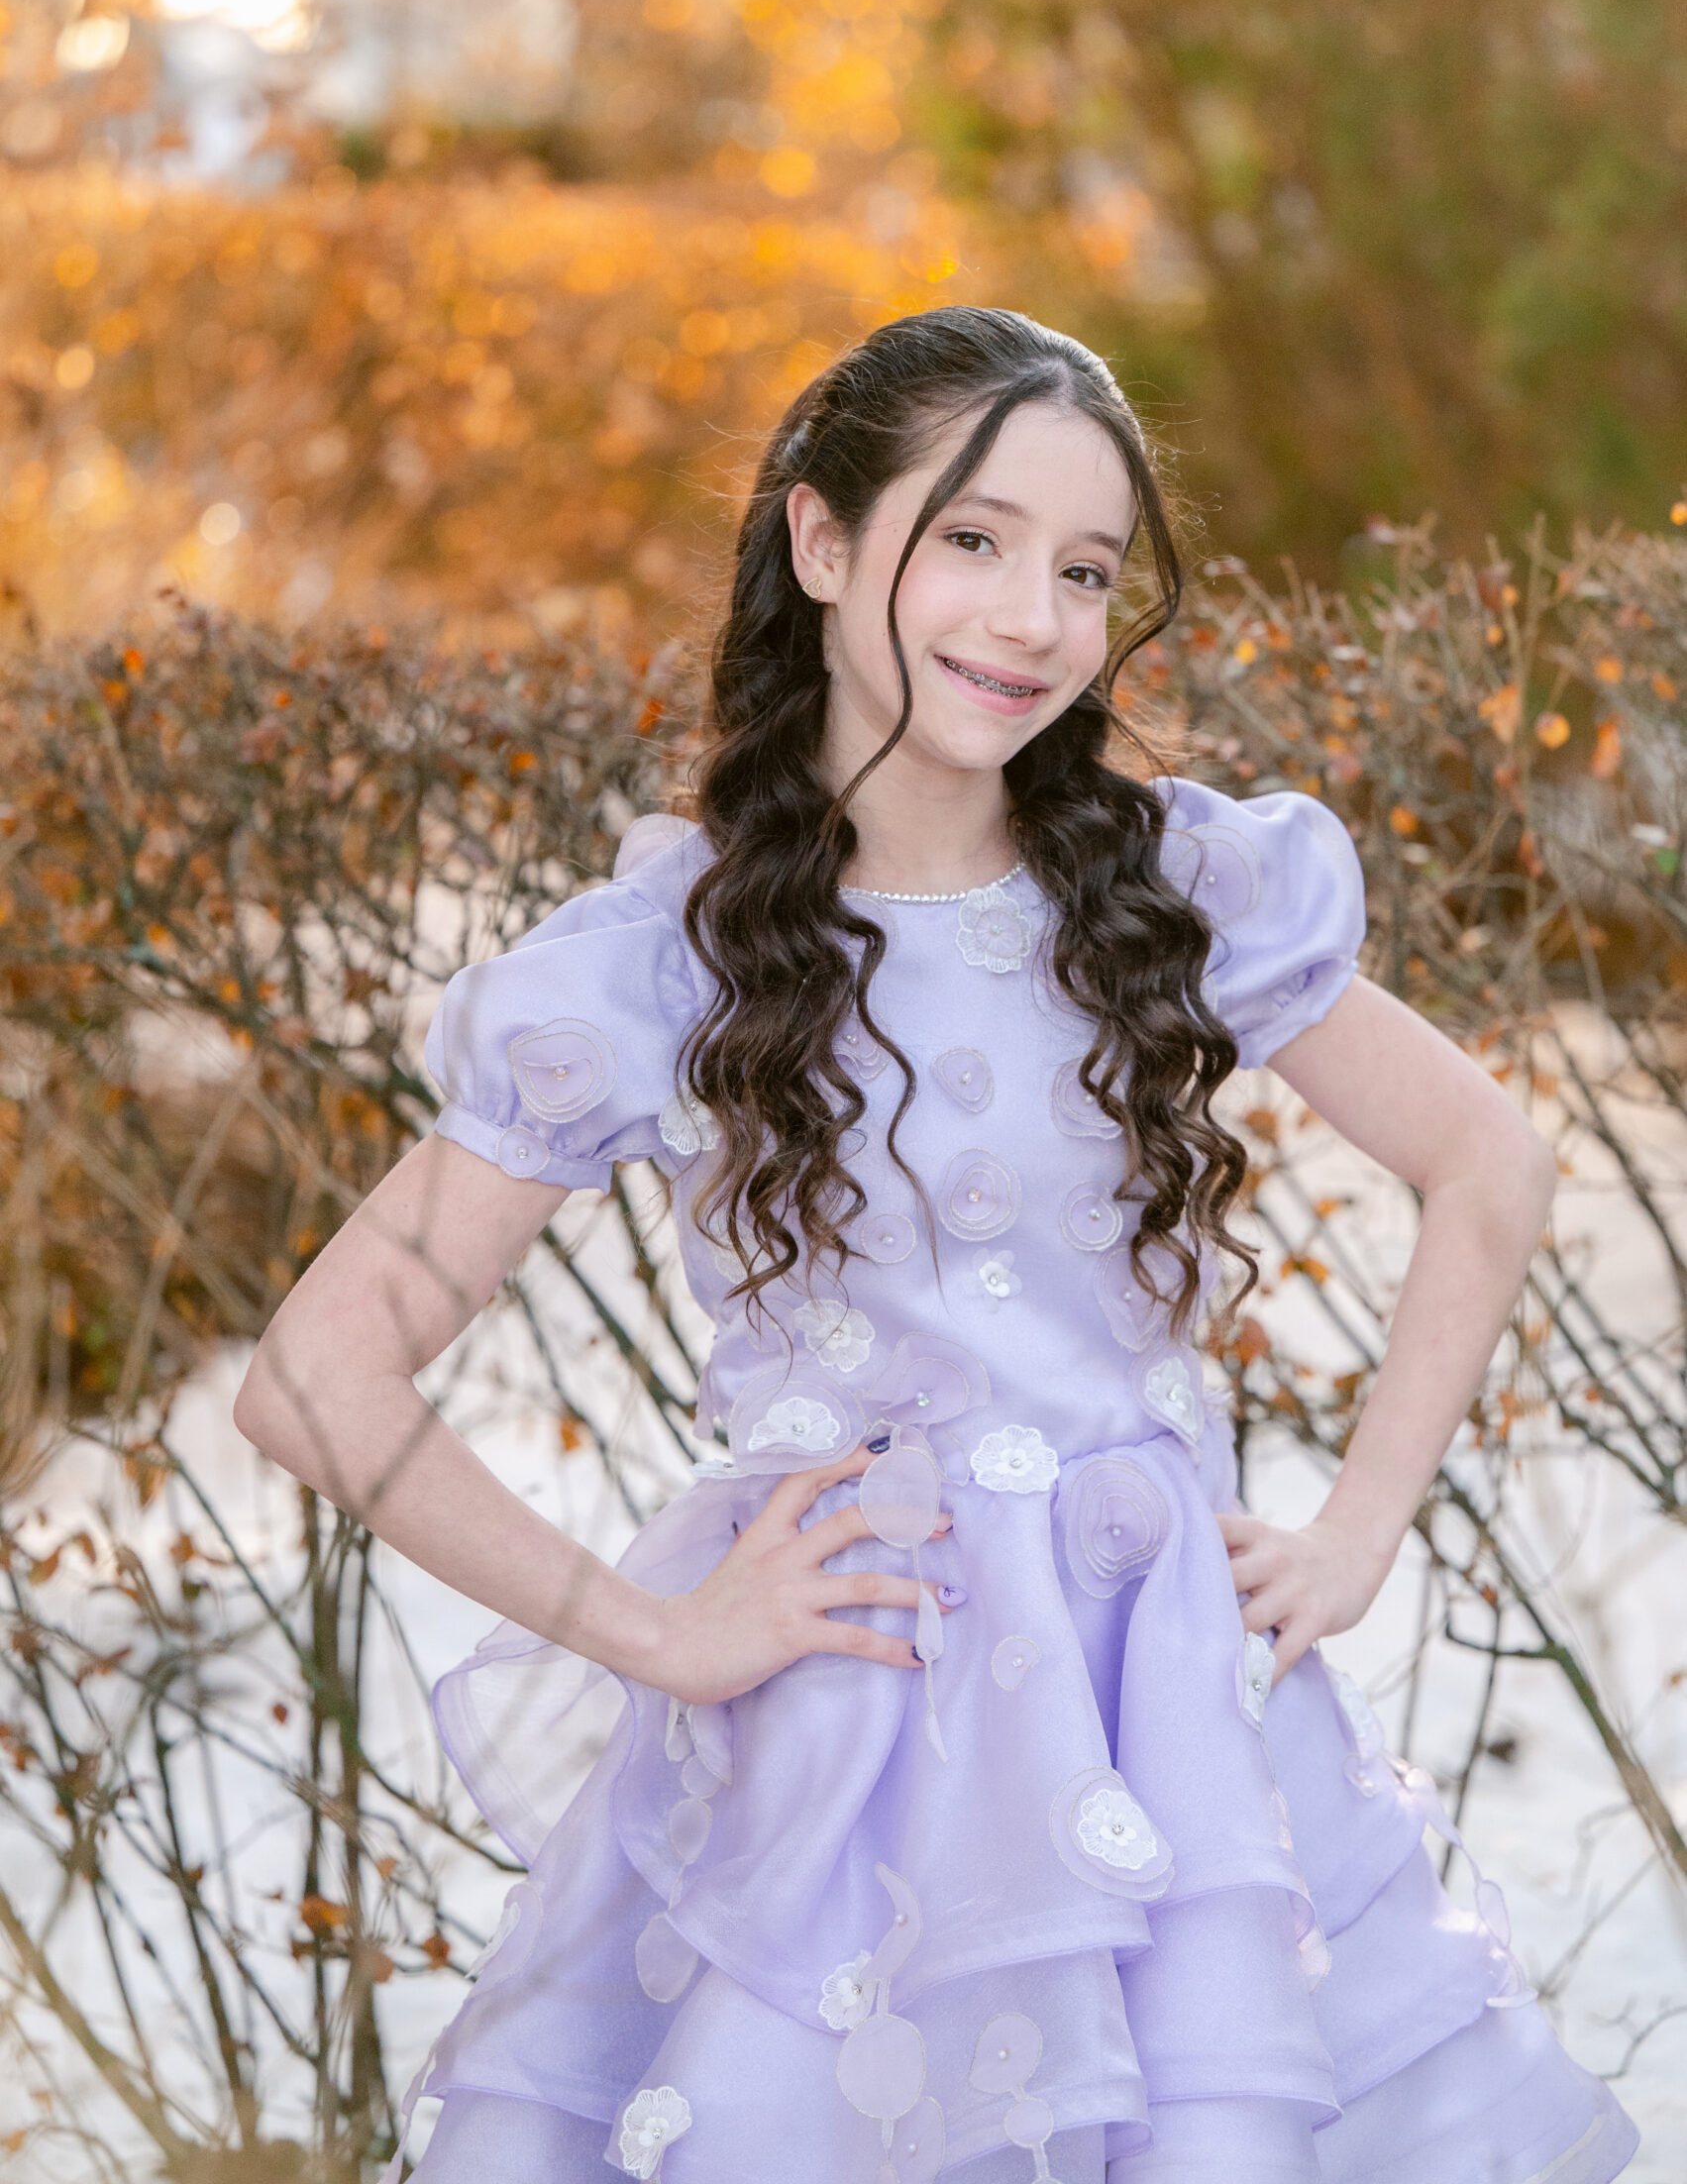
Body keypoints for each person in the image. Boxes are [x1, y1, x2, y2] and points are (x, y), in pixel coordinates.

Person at [235, 309, 1637, 2184]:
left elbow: (1491, 1162)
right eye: (970, 541)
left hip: (1171, 1729)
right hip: (852, 1749)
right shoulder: (668, 965)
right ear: (822, 546)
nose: (1031, 617)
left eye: (1082, 570)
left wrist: (1363, 1524)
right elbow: (314, 1377)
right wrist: (658, 1630)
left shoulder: (1167, 890)